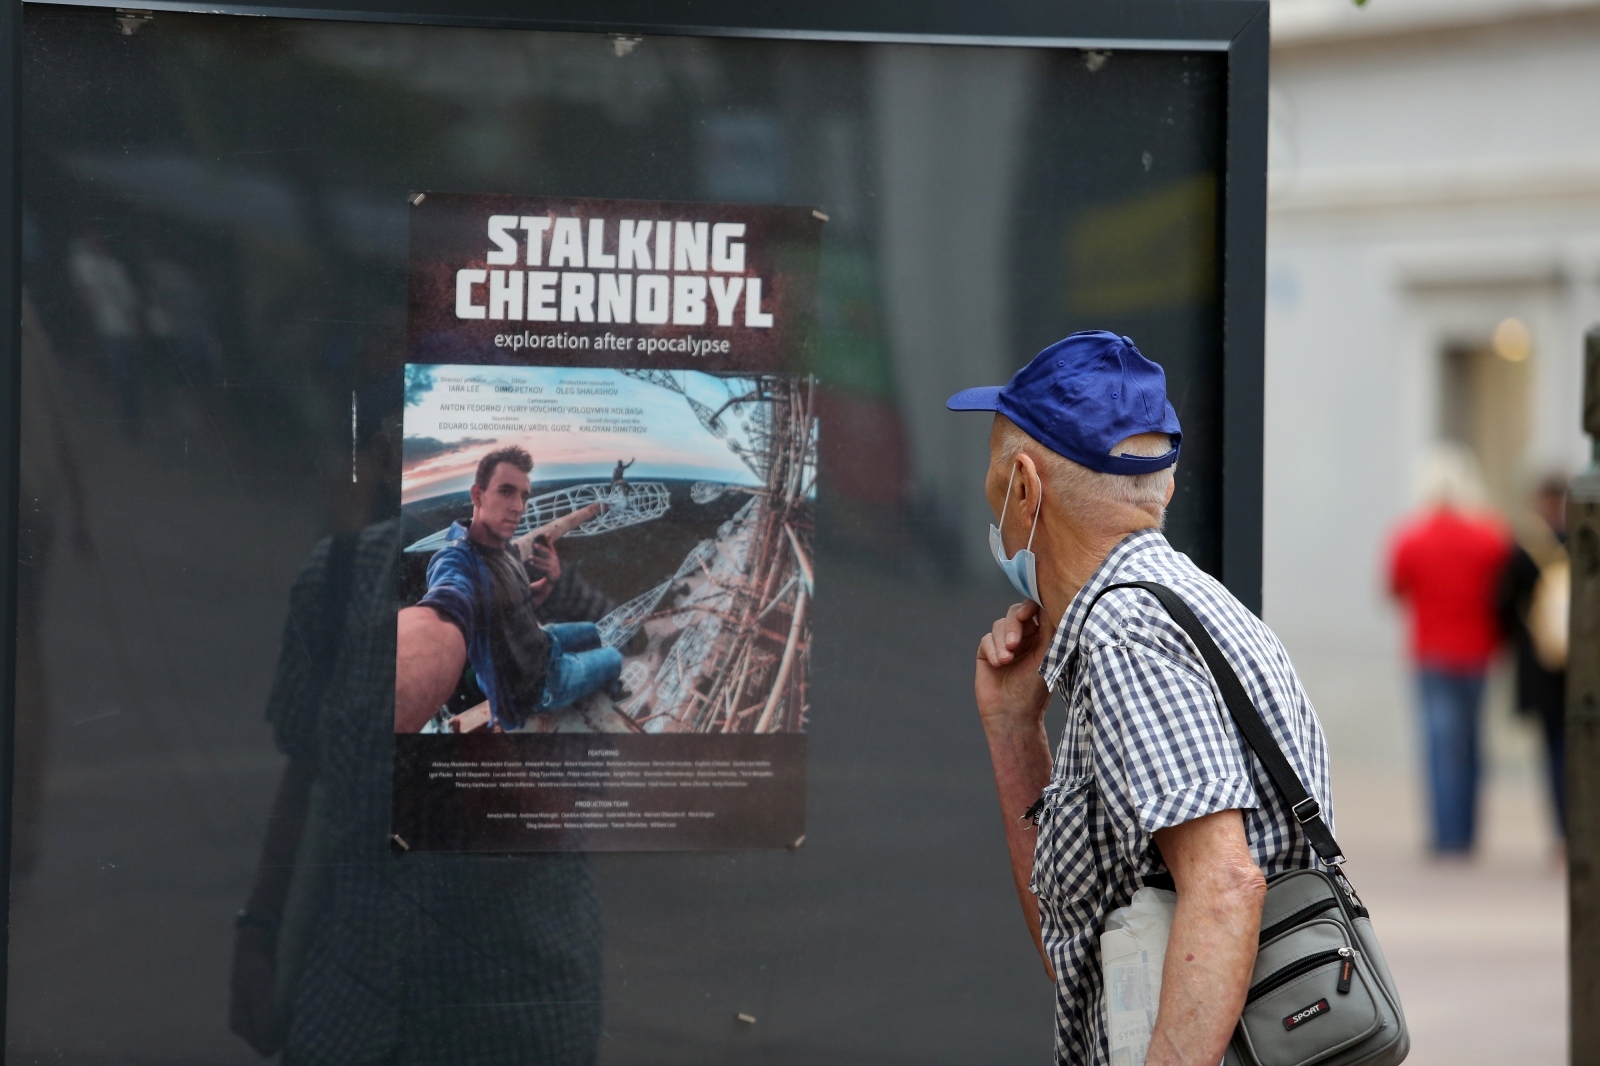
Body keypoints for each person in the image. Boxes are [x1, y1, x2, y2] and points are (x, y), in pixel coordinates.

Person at [948, 331, 1334, 1066]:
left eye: (994, 473)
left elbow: (1225, 887)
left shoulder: (1127, 635)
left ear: (1024, 488)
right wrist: (1013, 726)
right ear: (1166, 487)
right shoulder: (1177, 607)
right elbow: (1075, 957)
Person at [395, 446, 623, 732]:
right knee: (614, 658)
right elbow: (447, 607)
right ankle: (604, 688)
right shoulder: (458, 562)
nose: (519, 507)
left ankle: (579, 669)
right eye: (506, 491)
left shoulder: (503, 550)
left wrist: (551, 579)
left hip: (540, 643)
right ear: (477, 495)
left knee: (592, 631)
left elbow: (523, 601)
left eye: (523, 496)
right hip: (534, 683)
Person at [1386, 445, 1510, 856]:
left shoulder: (1412, 536)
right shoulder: (1489, 535)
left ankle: (1445, 834)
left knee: (1440, 745)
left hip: (1432, 651)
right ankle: (1468, 832)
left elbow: (1395, 588)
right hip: (1478, 650)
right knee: (1471, 743)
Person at [1497, 473, 1569, 836]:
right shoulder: (1583, 540)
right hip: (1582, 666)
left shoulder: (1523, 548)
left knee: (1554, 749)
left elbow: (1504, 607)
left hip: (1540, 665)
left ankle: (1562, 831)